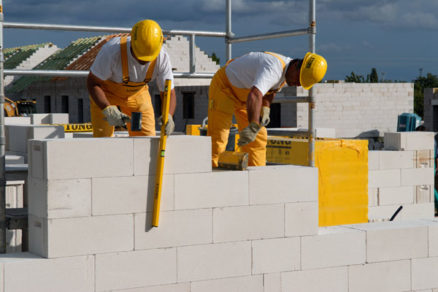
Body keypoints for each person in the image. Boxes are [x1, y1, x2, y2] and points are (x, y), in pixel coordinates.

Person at [207, 51, 327, 167]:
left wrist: (266, 108)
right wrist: (253, 125)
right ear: (295, 65)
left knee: (258, 137)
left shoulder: (286, 74)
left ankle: (256, 174)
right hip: (224, 88)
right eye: (298, 79)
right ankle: (211, 175)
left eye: (301, 82)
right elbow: (255, 94)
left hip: (245, 96)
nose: (297, 83)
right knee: (219, 137)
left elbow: (271, 90)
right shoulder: (274, 68)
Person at [87, 19, 176, 137]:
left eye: (148, 57)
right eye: (140, 56)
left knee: (146, 138)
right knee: (103, 139)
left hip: (137, 95)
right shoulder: (112, 51)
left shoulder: (162, 57)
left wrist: (168, 115)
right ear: (132, 43)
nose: (144, 60)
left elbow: (168, 92)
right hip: (106, 94)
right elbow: (92, 82)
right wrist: (106, 108)